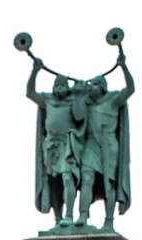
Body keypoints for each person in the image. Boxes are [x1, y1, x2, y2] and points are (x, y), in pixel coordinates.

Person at [77, 46, 133, 229]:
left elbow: (130, 88)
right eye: (90, 85)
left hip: (109, 145)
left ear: (102, 87)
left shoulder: (113, 100)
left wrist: (123, 66)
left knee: (109, 185)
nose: (92, 88)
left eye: (95, 84)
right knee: (86, 179)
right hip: (91, 144)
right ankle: (83, 216)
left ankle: (109, 221)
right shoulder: (85, 103)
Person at [27, 59, 86, 227]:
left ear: (67, 88)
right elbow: (30, 93)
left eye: (62, 86)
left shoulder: (72, 100)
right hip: (50, 146)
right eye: (57, 86)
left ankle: (69, 214)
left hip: (67, 144)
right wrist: (35, 71)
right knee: (54, 181)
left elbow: (80, 117)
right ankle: (58, 218)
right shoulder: (48, 100)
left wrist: (77, 96)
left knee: (68, 177)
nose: (59, 88)